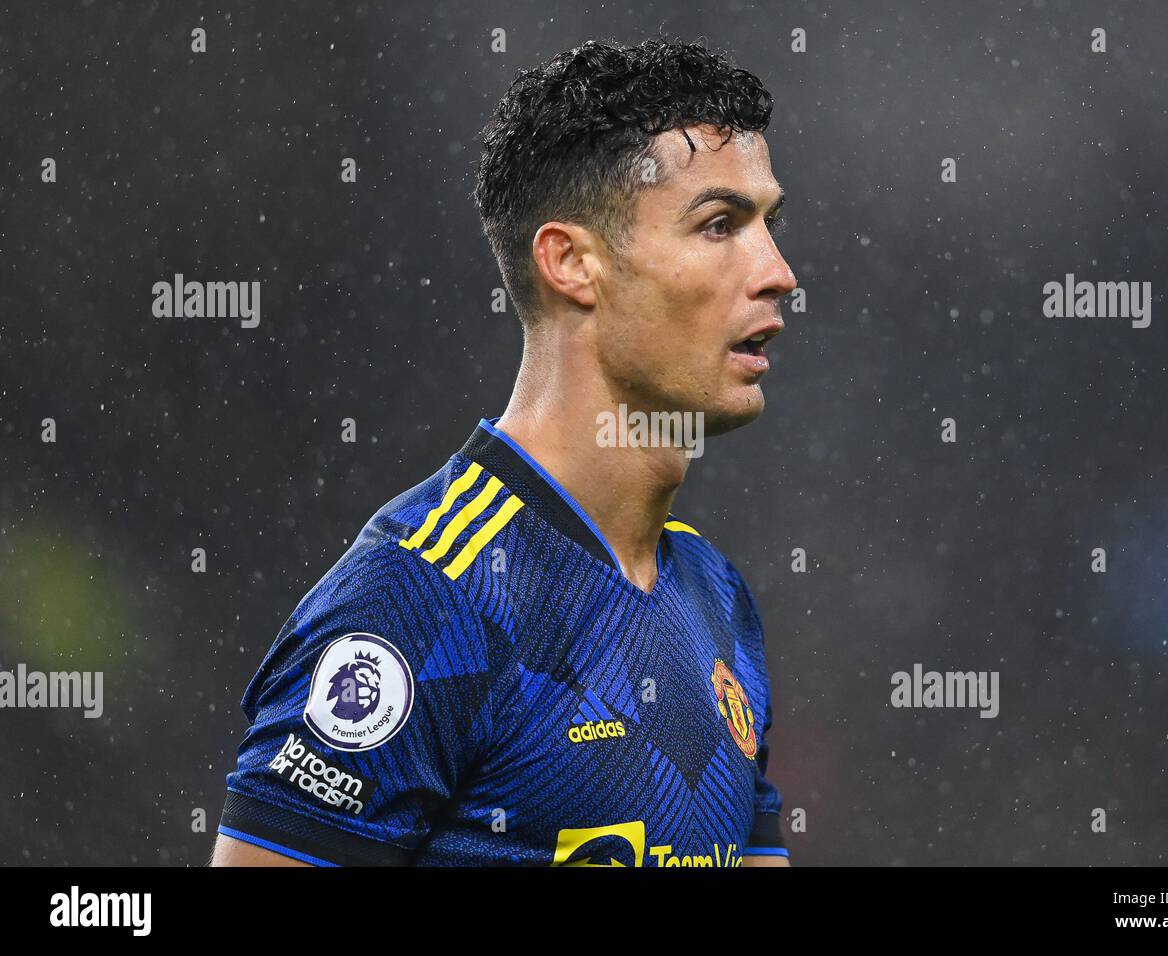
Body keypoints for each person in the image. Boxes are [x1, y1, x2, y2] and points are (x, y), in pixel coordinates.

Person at [212, 36, 797, 866]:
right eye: (719, 225)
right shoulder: (419, 599)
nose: (777, 270)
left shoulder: (716, 597)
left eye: (770, 224)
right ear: (570, 263)